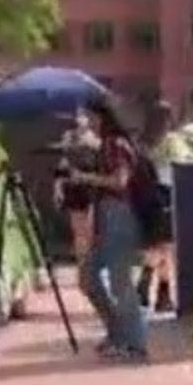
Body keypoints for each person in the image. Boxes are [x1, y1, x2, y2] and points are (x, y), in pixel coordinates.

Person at [69, 97, 148, 362]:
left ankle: (134, 342)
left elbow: (120, 181)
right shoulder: (106, 145)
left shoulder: (115, 145)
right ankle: (117, 332)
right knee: (88, 277)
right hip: (107, 215)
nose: (86, 123)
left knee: (120, 282)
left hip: (119, 215)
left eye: (88, 117)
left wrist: (84, 177)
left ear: (100, 116)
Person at [135, 100, 188, 313]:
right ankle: (153, 289)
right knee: (165, 247)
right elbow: (182, 163)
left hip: (147, 198)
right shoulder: (172, 141)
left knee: (158, 246)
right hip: (167, 194)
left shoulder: (142, 142)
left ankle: (153, 290)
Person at [54, 109, 98, 265]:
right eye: (77, 117)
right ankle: (83, 262)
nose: (80, 120)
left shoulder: (94, 140)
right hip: (74, 189)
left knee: (90, 228)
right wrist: (58, 188)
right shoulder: (68, 138)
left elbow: (98, 164)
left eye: (83, 117)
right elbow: (62, 166)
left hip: (91, 187)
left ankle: (90, 261)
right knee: (78, 229)